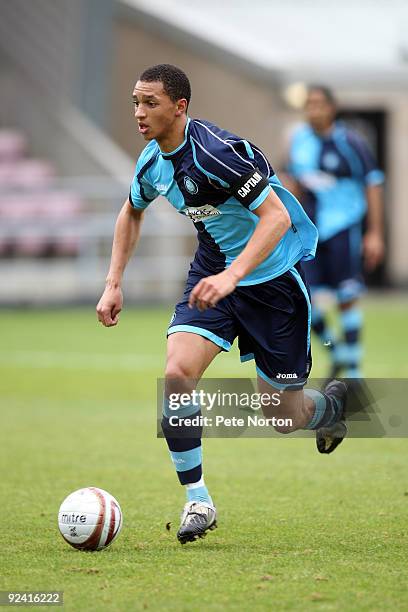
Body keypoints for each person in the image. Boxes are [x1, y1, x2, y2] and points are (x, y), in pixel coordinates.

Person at [96, 65, 348, 545]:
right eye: (135, 101)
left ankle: (331, 410)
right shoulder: (152, 162)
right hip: (211, 281)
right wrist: (113, 282)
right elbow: (131, 209)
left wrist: (235, 276)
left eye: (150, 102)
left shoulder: (217, 154)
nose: (139, 113)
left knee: (282, 417)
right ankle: (198, 500)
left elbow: (274, 216)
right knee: (177, 374)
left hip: (272, 287)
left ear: (180, 106)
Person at [285, 85, 385, 378]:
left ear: (332, 107)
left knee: (346, 297)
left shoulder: (351, 142)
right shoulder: (299, 141)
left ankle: (353, 375)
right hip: (311, 233)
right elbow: (294, 183)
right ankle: (336, 350)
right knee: (305, 301)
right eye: (309, 104)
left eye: (319, 104)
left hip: (343, 228)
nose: (314, 110)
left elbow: (373, 183)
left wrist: (375, 233)